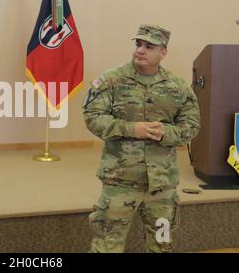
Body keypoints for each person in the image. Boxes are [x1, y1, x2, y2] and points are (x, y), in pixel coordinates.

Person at [82, 24, 200, 253]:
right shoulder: (111, 80)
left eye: (149, 46)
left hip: (162, 185)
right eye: (138, 44)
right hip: (120, 181)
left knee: (161, 246)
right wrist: (130, 129)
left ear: (163, 52)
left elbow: (191, 125)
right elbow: (92, 116)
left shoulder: (178, 87)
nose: (140, 50)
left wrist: (167, 133)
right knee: (106, 247)